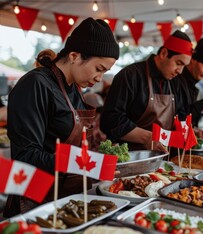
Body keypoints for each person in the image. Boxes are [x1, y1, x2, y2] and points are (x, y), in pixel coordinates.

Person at [4, 17, 119, 217]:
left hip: (68, 199)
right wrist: (84, 163)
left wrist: (99, 156)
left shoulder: (75, 88)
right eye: (99, 69)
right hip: (36, 200)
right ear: (74, 56)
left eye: (105, 72)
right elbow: (26, 155)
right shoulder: (35, 85)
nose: (100, 78)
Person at [100, 30, 192, 151]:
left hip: (163, 159)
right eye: (178, 63)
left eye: (184, 66)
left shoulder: (176, 82)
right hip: (130, 156)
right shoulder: (130, 75)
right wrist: (147, 138)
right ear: (164, 53)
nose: (180, 71)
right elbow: (110, 120)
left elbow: (181, 116)